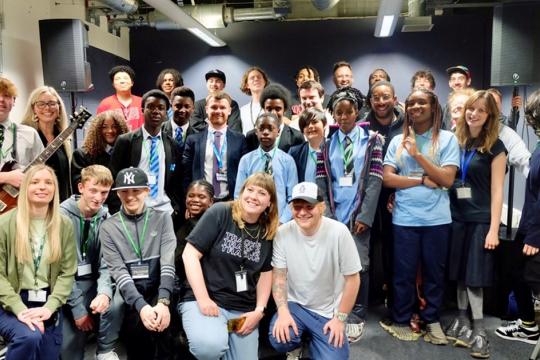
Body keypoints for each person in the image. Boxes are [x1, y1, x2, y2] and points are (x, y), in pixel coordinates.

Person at [381, 88, 460, 344]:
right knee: (403, 273)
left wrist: (417, 155)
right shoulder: (397, 141)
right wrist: (422, 180)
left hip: (437, 219)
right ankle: (402, 319)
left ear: (433, 107)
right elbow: (387, 178)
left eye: (421, 102)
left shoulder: (447, 139)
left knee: (434, 274)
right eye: (411, 102)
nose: (415, 106)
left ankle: (431, 319)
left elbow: (447, 179)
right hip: (405, 218)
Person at [179, 172, 279, 360]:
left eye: (262, 193)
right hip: (208, 301)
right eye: (249, 190)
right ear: (241, 193)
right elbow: (189, 255)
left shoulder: (268, 231)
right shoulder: (220, 212)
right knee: (210, 347)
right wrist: (203, 299)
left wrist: (259, 311)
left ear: (270, 203)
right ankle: (208, 332)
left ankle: (219, 331)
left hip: (241, 309)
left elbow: (266, 274)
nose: (254, 196)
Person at [317, 88, 384, 343]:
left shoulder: (372, 140)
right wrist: (329, 216)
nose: (344, 117)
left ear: (357, 112)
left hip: (359, 214)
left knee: (359, 263)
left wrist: (364, 216)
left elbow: (375, 180)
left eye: (348, 112)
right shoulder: (326, 143)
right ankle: (338, 310)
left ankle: (357, 314)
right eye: (339, 112)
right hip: (335, 213)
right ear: (333, 114)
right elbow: (322, 180)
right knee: (336, 263)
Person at [446, 91, 507, 359]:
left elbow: (497, 192)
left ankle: (480, 330)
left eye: (481, 111)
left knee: (474, 278)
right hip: (456, 217)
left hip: (480, 220)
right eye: (471, 109)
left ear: (489, 116)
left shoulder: (496, 147)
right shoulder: (456, 141)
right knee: (459, 274)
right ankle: (461, 320)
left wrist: (494, 229)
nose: (473, 114)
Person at [269, 182, 361, 359]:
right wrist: (282, 311)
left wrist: (340, 319)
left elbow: (353, 279)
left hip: (328, 311)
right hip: (295, 305)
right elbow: (279, 276)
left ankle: (313, 341)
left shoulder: (339, 232)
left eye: (309, 207)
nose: (302, 212)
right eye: (297, 207)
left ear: (322, 207)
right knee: (279, 339)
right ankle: (297, 343)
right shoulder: (283, 233)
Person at [0, 164, 77, 359]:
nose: (42, 187)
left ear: (55, 189)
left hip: (47, 302)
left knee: (47, 354)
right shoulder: (5, 223)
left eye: (48, 183)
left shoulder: (64, 224)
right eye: (35, 182)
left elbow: (67, 273)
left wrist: (50, 307)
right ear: (25, 187)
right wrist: (20, 310)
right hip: (10, 303)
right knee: (29, 337)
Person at [100, 167, 176, 360]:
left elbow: (168, 262)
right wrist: (141, 306)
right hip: (131, 293)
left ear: (147, 191)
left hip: (160, 289)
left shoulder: (163, 218)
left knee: (163, 335)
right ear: (117, 193)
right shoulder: (108, 227)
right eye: (124, 191)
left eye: (136, 190)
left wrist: (163, 302)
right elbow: (118, 271)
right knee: (138, 337)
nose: (130, 196)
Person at [60, 165, 121, 360]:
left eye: (104, 192)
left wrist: (104, 293)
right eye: (93, 190)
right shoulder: (61, 217)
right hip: (66, 285)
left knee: (115, 299)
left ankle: (104, 350)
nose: (98, 197)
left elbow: (107, 264)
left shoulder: (106, 218)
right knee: (67, 349)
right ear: (81, 188)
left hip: (93, 283)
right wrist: (78, 311)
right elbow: (62, 270)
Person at [495, 90, 540, 347]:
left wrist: (535, 235)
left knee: (529, 276)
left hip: (536, 228)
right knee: (516, 270)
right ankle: (527, 325)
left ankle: (529, 325)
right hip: (530, 222)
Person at [109, 89, 182, 218]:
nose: (156, 111)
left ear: (166, 113)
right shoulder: (126, 141)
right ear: (142, 110)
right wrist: (116, 208)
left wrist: (176, 207)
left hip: (164, 210)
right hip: (133, 209)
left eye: (161, 108)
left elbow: (176, 180)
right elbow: (114, 176)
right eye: (151, 107)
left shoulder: (172, 144)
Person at [182, 91, 248, 201]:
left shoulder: (240, 140)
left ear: (229, 111)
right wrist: (189, 202)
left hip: (231, 202)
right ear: (207, 109)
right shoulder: (193, 140)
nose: (218, 111)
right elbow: (185, 175)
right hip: (201, 202)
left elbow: (245, 173)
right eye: (214, 107)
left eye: (222, 107)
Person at [235, 113, 298, 224]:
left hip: (279, 221)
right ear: (256, 132)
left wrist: (282, 222)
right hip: (250, 220)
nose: (265, 132)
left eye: (270, 129)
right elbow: (238, 194)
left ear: (278, 131)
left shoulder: (288, 161)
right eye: (261, 128)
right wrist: (246, 217)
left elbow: (292, 198)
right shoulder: (246, 160)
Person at [21, 86, 72, 201]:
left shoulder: (62, 137)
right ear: (33, 108)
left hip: (60, 201)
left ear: (59, 107)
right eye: (41, 104)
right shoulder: (24, 135)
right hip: (34, 201)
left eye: (52, 103)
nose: (47, 108)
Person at [71, 110, 129, 198]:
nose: (110, 130)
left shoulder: (128, 153)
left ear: (121, 129)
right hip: (95, 205)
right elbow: (79, 186)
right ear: (97, 130)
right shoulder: (82, 155)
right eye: (104, 127)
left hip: (122, 204)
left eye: (114, 127)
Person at [0, 77, 43, 192]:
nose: (1, 99)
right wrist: (5, 177)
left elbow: (41, 171)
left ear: (14, 101)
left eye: (7, 95)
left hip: (19, 204)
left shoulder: (30, 134)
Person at [245, 83, 304, 153]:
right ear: (263, 109)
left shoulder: (296, 137)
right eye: (269, 109)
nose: (273, 113)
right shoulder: (252, 136)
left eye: (278, 109)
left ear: (284, 109)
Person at [97, 65, 143, 131]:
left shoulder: (142, 102)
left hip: (139, 140)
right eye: (117, 79)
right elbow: (99, 128)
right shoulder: (105, 104)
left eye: (125, 78)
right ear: (113, 84)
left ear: (132, 82)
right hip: (116, 141)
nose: (122, 81)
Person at [288, 108, 327, 182]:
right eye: (306, 124)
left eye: (314, 122)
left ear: (324, 124)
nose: (310, 126)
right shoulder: (295, 153)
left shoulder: (333, 148)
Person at [161, 86, 198, 155]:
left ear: (193, 108)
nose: (182, 110)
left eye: (187, 106)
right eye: (178, 106)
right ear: (171, 106)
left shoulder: (198, 137)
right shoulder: (158, 131)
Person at [239, 66, 269, 135]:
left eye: (259, 77)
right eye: (252, 78)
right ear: (247, 85)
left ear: (264, 82)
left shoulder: (273, 107)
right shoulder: (242, 110)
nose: (256, 79)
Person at [442, 65, 473, 129]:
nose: (456, 82)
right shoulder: (446, 108)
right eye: (453, 79)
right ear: (450, 83)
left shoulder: (475, 103)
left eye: (461, 78)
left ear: (468, 81)